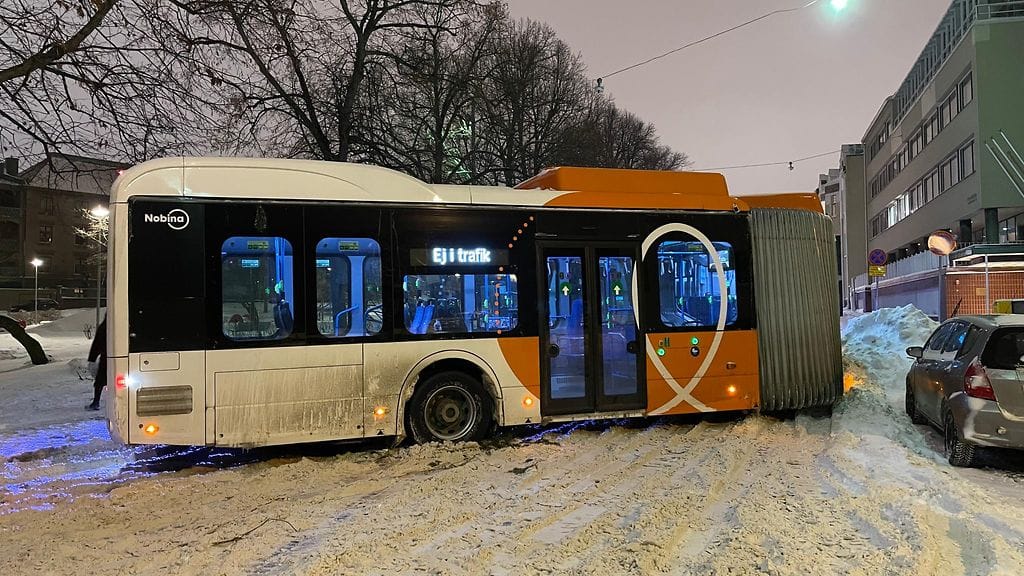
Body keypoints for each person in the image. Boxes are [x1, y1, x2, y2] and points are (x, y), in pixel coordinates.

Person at [86, 317, 106, 411]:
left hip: (106, 358)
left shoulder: (104, 327)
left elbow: (97, 343)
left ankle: (96, 402)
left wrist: (92, 358)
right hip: (125, 357)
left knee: (100, 381)